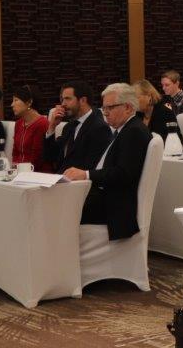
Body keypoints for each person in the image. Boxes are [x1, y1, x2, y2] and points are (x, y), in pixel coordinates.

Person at [63, 83, 152, 244]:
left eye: (110, 108)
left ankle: (60, 255)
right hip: (105, 196)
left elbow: (123, 174)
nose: (105, 113)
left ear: (127, 107)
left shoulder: (134, 132)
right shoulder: (124, 129)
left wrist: (86, 174)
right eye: (104, 108)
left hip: (114, 206)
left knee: (60, 206)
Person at [43, 81, 111, 172]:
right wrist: (52, 126)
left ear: (83, 100)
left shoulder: (99, 128)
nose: (63, 104)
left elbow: (92, 167)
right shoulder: (69, 126)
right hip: (61, 177)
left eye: (68, 99)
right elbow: (50, 157)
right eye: (62, 99)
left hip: (80, 180)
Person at [4, 85, 48, 170]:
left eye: (16, 100)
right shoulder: (18, 123)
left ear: (29, 102)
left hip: (37, 172)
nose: (12, 105)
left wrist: (21, 170)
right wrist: (14, 168)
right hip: (20, 171)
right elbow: (15, 152)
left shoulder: (42, 123)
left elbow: (37, 158)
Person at [134, 80, 183, 145]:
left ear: (149, 96)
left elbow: (174, 142)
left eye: (136, 97)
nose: (133, 102)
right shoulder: (138, 114)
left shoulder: (165, 113)